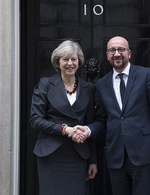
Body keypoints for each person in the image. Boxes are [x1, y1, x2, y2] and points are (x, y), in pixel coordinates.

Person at [72, 36, 150, 195]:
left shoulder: (147, 75)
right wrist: (88, 130)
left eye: (121, 50)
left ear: (129, 53)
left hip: (144, 155)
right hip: (116, 157)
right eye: (112, 50)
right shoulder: (102, 84)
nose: (117, 54)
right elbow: (102, 120)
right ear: (108, 55)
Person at [29, 40, 97, 195]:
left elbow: (90, 124)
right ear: (58, 62)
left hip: (77, 156)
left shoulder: (88, 89)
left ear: (79, 62)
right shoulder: (45, 85)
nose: (70, 63)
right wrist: (65, 130)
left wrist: (93, 160)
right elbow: (35, 120)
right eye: (65, 59)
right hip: (51, 155)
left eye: (73, 59)